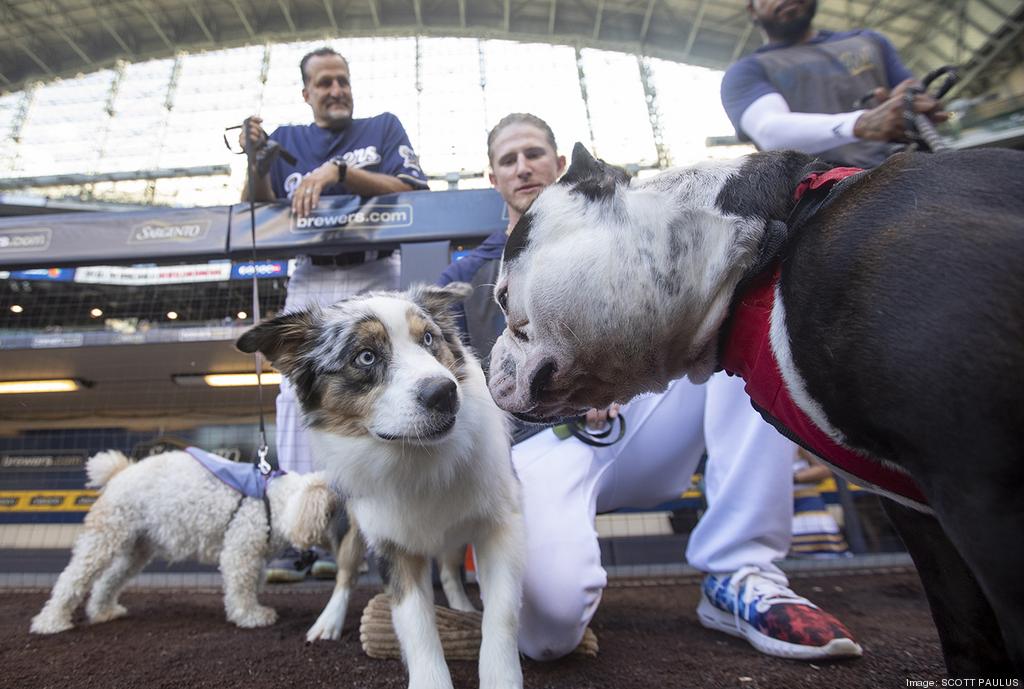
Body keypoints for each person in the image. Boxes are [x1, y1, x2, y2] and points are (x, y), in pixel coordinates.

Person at [437, 113, 862, 661]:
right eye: (508, 160)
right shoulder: (468, 275)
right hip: (543, 449)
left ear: (561, 167)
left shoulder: (630, 234)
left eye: (535, 154)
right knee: (549, 635)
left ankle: (740, 571)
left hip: (644, 422)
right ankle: (498, 615)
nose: (523, 168)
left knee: (737, 310)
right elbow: (459, 390)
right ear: (493, 179)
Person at [241, 46, 429, 582]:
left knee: (384, 385)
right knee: (294, 392)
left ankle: (368, 531)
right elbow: (258, 205)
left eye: (342, 80)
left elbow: (416, 191)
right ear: (307, 93)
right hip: (313, 274)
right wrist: (259, 162)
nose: (336, 90)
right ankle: (305, 534)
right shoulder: (289, 138)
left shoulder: (383, 127)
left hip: (375, 271)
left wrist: (340, 171)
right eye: (323, 82)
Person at [721, 0, 947, 168]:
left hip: (906, 167)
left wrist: (911, 105)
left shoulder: (870, 41)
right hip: (821, 194)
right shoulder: (746, 71)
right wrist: (862, 123)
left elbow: (909, 90)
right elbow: (769, 131)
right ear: (752, 9)